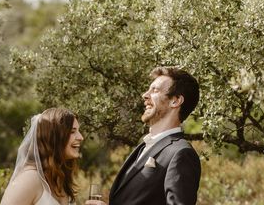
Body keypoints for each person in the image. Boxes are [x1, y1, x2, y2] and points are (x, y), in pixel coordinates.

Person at [86, 66, 201, 205]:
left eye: (155, 90)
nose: (145, 95)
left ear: (175, 101)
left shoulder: (181, 153)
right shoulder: (142, 148)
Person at [1, 107, 84, 205]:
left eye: (78, 131)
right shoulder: (29, 179)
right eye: (72, 132)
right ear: (54, 137)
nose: (81, 137)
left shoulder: (59, 178)